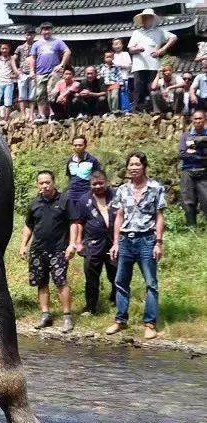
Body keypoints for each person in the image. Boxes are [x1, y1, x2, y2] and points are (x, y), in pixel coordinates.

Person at [106, 152, 166, 340]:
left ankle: (149, 324)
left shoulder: (156, 188)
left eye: (137, 164)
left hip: (147, 240)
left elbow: (159, 216)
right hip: (125, 240)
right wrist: (115, 242)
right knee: (121, 282)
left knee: (151, 284)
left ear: (144, 166)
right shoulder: (122, 189)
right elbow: (119, 216)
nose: (133, 168)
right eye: (130, 164)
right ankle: (120, 320)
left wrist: (158, 242)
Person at [19, 170, 77, 332]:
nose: (45, 185)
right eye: (41, 183)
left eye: (47, 182)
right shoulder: (34, 204)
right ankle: (46, 315)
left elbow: (74, 223)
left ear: (53, 182)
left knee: (61, 282)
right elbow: (29, 226)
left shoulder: (65, 201)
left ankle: (67, 317)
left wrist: (72, 244)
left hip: (59, 250)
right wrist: (24, 245)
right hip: (38, 250)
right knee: (41, 283)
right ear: (37, 185)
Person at [72, 171, 116, 315]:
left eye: (101, 183)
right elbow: (79, 223)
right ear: (90, 185)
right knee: (91, 278)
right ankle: (91, 307)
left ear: (106, 182)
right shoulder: (84, 200)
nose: (98, 186)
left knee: (115, 274)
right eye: (94, 184)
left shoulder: (116, 197)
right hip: (92, 244)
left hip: (113, 243)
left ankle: (116, 300)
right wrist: (78, 243)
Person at [127, 9, 177, 113]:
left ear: (153, 18)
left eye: (149, 17)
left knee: (153, 88)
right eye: (144, 17)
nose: (147, 19)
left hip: (154, 65)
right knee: (138, 88)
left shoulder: (159, 31)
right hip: (139, 64)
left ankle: (155, 110)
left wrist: (162, 49)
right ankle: (137, 111)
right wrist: (137, 49)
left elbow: (174, 37)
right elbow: (130, 49)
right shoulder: (137, 32)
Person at [29, 22, 71, 121]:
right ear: (41, 31)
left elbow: (67, 51)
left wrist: (62, 64)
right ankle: (42, 115)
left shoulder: (58, 41)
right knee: (40, 94)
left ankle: (53, 115)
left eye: (48, 29)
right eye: (44, 29)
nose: (46, 31)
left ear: (51, 30)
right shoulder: (36, 44)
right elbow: (33, 58)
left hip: (54, 72)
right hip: (40, 72)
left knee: (52, 93)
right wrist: (32, 70)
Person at [178, 110, 207, 226]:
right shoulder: (186, 136)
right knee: (188, 201)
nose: (198, 121)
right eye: (196, 119)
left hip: (204, 172)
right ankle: (191, 228)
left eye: (200, 118)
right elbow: (182, 154)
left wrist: (194, 150)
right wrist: (201, 156)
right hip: (188, 172)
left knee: (206, 200)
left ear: (204, 120)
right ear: (192, 120)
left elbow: (189, 153)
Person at [66, 135, 102, 204]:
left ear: (85, 146)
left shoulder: (92, 161)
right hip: (72, 195)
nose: (77, 147)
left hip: (86, 194)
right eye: (75, 145)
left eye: (80, 145)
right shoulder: (70, 161)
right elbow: (70, 177)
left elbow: (97, 178)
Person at [0, 43, 18, 121]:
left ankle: (6, 119)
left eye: (6, 48)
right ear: (0, 49)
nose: (4, 50)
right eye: (2, 48)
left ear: (9, 49)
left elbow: (15, 69)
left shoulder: (12, 59)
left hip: (9, 83)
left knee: (8, 102)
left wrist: (14, 75)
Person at [13, 28, 36, 120]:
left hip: (34, 72)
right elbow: (13, 59)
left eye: (31, 34)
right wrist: (16, 70)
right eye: (27, 34)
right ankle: (23, 114)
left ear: (34, 35)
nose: (29, 36)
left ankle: (31, 114)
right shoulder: (20, 47)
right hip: (22, 72)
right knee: (22, 95)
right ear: (25, 35)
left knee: (32, 95)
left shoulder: (36, 46)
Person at [111, 38, 133, 113]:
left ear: (122, 45)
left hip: (124, 76)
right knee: (116, 94)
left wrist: (118, 65)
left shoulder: (125, 54)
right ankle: (117, 109)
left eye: (119, 43)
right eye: (115, 44)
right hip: (115, 79)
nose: (117, 46)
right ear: (112, 46)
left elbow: (129, 65)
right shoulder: (112, 55)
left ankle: (126, 109)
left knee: (124, 92)